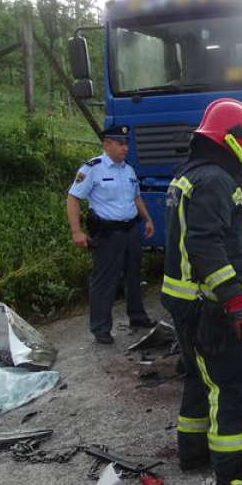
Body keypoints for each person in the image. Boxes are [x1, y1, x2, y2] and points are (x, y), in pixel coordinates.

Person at [161, 98, 242, 485]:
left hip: (184, 297)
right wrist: (233, 299)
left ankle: (193, 451)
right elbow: (206, 244)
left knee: (201, 376)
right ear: (230, 140)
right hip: (208, 302)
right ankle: (232, 477)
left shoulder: (190, 174)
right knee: (237, 382)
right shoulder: (216, 179)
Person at [66, 125, 156, 344]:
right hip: (107, 234)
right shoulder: (92, 169)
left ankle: (137, 316)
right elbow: (73, 198)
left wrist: (148, 219)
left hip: (131, 230)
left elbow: (136, 198)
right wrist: (77, 231)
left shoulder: (128, 170)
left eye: (126, 143)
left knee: (134, 275)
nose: (125, 148)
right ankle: (101, 328)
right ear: (107, 144)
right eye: (120, 143)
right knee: (104, 280)